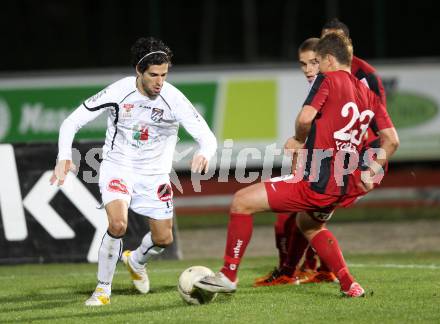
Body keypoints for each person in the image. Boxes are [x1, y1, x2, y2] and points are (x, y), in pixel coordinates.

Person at [195, 32, 399, 298]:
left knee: (240, 202)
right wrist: (373, 169)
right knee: (310, 225)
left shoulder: (329, 79)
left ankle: (228, 276)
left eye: (316, 62)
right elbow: (392, 141)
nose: (313, 69)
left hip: (316, 181)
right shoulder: (368, 95)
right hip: (343, 184)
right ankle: (349, 283)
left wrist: (298, 139)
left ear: (327, 59)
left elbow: (305, 118)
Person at [50, 37, 217, 306]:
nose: (160, 82)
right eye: (153, 75)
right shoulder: (119, 91)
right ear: (139, 71)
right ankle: (103, 290)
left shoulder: (174, 98)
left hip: (156, 175)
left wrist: (204, 152)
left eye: (164, 74)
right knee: (118, 224)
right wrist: (64, 157)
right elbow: (71, 122)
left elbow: (208, 138)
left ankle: (136, 261)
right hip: (119, 167)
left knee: (163, 238)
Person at [254, 38, 337, 287]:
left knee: (292, 220)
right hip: (318, 166)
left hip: (329, 169)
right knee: (305, 221)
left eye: (313, 62)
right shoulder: (317, 88)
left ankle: (292, 271)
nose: (308, 69)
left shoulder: (331, 88)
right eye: (303, 64)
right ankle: (314, 269)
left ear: (325, 61)